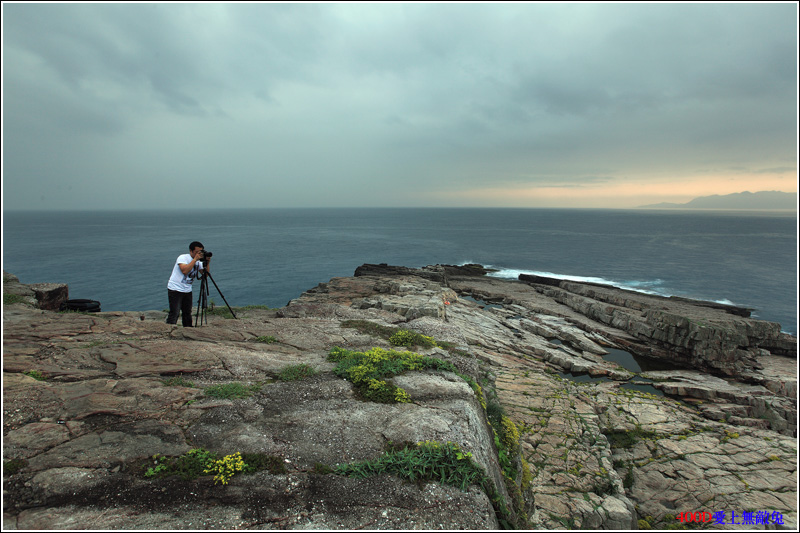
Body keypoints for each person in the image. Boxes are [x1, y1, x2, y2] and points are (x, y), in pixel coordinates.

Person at [166, 241, 207, 326]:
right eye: (196, 252)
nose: (198, 254)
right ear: (191, 251)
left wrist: (207, 262)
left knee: (187, 312)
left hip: (187, 289)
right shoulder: (183, 257)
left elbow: (205, 274)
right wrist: (195, 260)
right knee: (175, 312)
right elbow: (184, 271)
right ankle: (169, 329)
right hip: (175, 288)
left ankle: (188, 329)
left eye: (200, 252)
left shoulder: (199, 261)